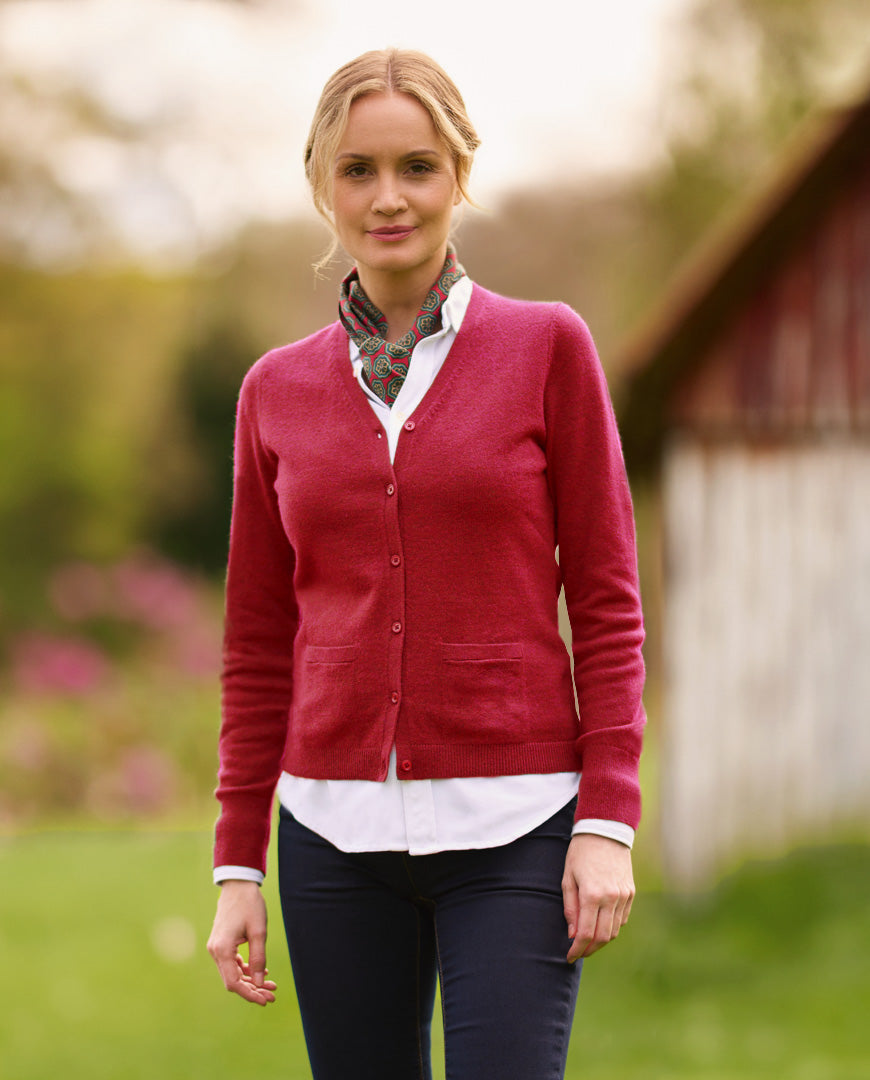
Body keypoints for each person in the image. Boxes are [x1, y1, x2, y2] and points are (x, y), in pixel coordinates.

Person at [207, 48, 645, 1080]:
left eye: (417, 166)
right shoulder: (273, 392)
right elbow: (258, 640)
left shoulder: (548, 348)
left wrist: (608, 819)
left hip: (518, 825)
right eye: (358, 170)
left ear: (460, 175)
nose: (389, 198)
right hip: (332, 833)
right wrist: (237, 862)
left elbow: (608, 603)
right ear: (321, 183)